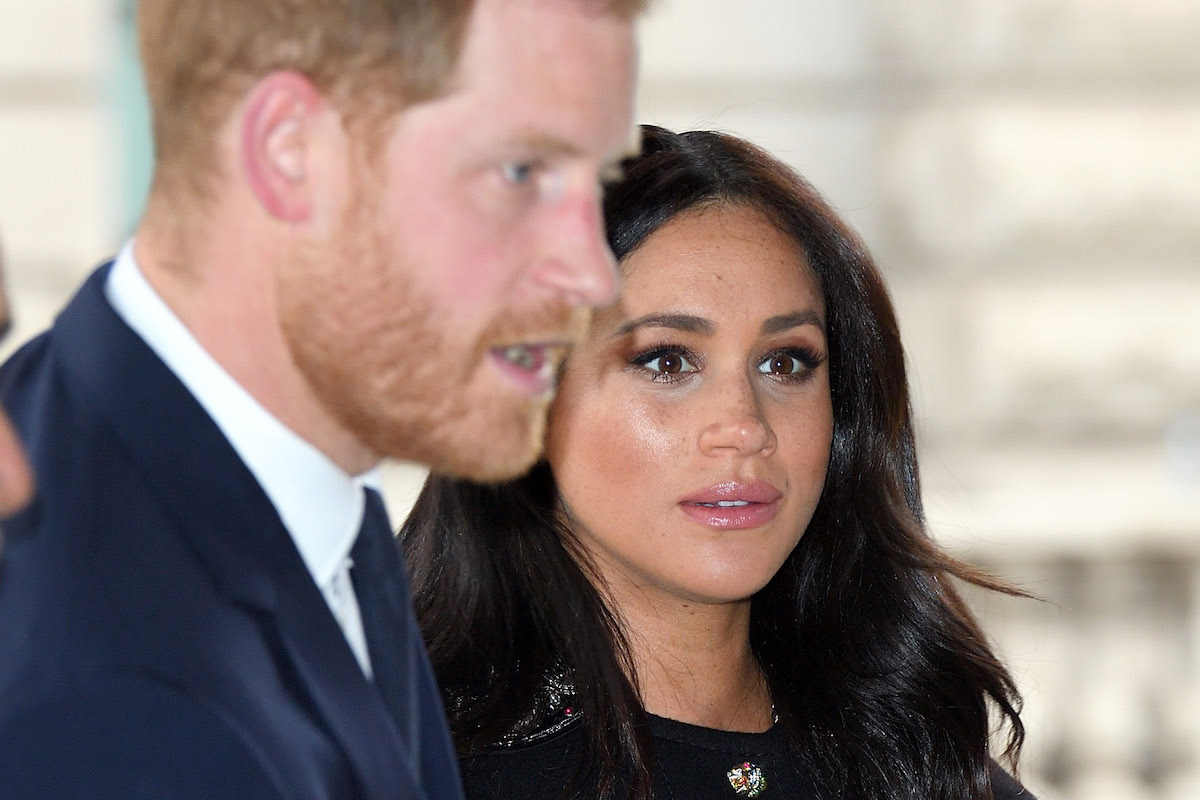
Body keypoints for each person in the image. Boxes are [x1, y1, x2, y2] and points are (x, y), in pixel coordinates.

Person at [0, 1, 642, 798]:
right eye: (520, 172)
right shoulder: (109, 692)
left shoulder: (298, 479)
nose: (591, 273)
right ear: (290, 150)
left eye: (599, 177)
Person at [401, 125, 1036, 800]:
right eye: (666, 361)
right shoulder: (401, 764)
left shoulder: (929, 773)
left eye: (784, 362)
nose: (744, 427)